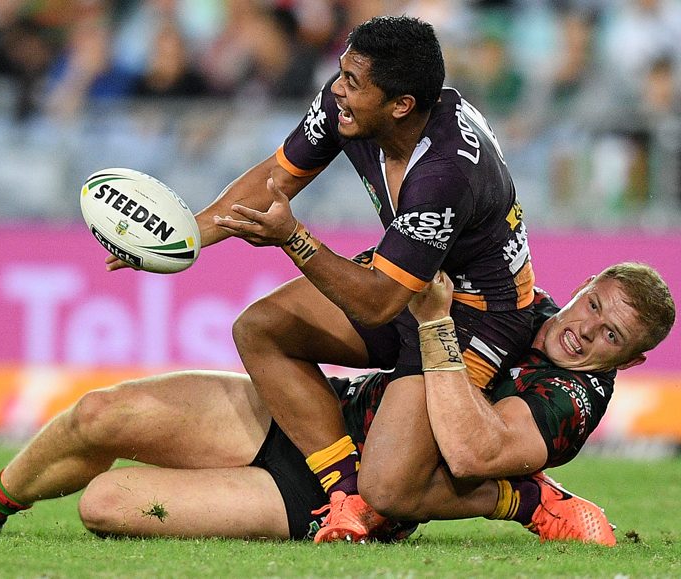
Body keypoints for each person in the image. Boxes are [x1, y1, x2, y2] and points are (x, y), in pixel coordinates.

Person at [0, 262, 674, 548]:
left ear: (630, 359)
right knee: (100, 414)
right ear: (584, 286)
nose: (585, 328)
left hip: (347, 489)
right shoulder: (521, 304)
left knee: (105, 503)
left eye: (611, 333)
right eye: (593, 303)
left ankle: (526, 498)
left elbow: (471, 449)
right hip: (323, 414)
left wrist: (436, 326)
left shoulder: (571, 398)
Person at [181, 14, 534, 542]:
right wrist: (180, 238)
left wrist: (294, 238)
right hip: (414, 281)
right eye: (342, 72)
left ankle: (528, 497)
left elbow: (377, 305)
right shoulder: (351, 108)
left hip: (475, 313)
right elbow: (274, 180)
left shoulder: (446, 170)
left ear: (401, 105)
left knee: (391, 489)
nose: (337, 90)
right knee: (260, 328)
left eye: (352, 81)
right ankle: (345, 498)